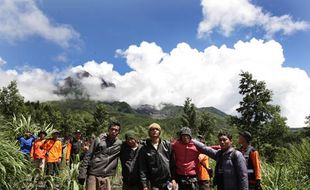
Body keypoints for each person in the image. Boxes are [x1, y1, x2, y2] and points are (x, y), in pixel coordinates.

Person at [78, 121, 122, 190]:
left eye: (116, 130)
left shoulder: (119, 144)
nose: (113, 131)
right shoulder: (99, 140)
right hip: (93, 174)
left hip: (106, 176)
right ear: (108, 130)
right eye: (112, 129)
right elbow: (88, 156)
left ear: (118, 132)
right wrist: (82, 173)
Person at [139, 123, 177, 190]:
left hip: (168, 182)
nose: (154, 131)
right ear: (149, 132)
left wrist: (174, 179)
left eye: (157, 129)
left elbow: (173, 164)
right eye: (152, 129)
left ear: (159, 131)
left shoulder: (167, 145)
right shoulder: (144, 148)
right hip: (154, 183)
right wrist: (144, 185)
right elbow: (142, 168)